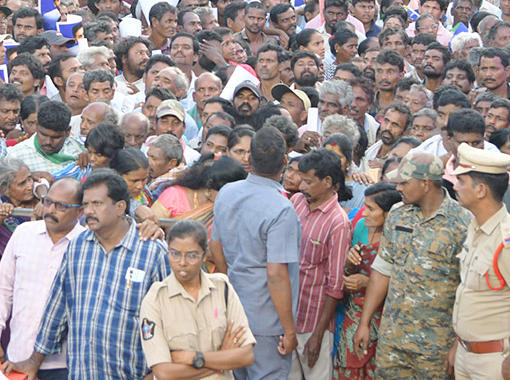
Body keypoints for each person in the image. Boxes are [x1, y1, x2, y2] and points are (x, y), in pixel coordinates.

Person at [18, 169, 168, 380]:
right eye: (86, 204)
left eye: (97, 204)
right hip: (82, 373)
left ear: (120, 207)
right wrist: (34, 362)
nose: (88, 211)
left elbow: (171, 318)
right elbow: (57, 306)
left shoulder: (152, 252)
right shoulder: (78, 246)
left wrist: (156, 375)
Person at [351, 151, 469, 379]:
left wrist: (458, 345)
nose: (398, 188)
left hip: (437, 346)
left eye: (405, 182)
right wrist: (364, 322)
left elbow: (468, 288)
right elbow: (382, 271)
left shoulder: (463, 222)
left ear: (425, 184)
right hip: (393, 340)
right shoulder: (398, 215)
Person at [210, 126, 301, 380]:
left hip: (232, 311)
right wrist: (289, 330)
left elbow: (214, 245)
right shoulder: (282, 209)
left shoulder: (227, 192)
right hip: (267, 321)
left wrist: (231, 278)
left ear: (249, 158)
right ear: (284, 161)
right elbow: (276, 274)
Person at [0, 177, 85, 379]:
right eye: (47, 202)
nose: (50, 210)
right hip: (18, 354)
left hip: (65, 363)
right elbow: (3, 291)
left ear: (80, 211)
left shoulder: (86, 245)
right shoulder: (23, 234)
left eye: (61, 206)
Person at [139, 220, 257, 380]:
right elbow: (164, 373)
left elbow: (246, 356)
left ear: (204, 255)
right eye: (174, 253)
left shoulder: (222, 289)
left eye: (191, 256)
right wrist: (222, 358)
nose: (182, 262)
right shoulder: (155, 299)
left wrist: (193, 357)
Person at [447, 143, 510, 380]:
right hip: (469, 354)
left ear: (481, 190)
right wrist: (459, 345)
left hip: (496, 360)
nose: (455, 185)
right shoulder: (475, 227)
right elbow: (469, 293)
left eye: (462, 181)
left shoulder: (508, 240)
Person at [290, 148, 351, 380]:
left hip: (312, 321)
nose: (301, 186)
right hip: (288, 316)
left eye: (308, 181)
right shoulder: (296, 202)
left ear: (327, 182)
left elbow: (335, 285)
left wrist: (317, 335)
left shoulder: (338, 223)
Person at [333, 183, 402, 380]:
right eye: (365, 207)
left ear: (389, 213)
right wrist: (350, 263)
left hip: (383, 317)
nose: (364, 213)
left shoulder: (398, 237)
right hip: (353, 313)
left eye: (371, 209)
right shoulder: (361, 226)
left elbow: (400, 281)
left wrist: (367, 283)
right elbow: (348, 273)